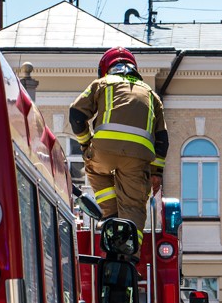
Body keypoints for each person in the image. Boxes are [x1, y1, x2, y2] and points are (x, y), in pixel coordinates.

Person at [68, 47, 168, 236]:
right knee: (134, 209)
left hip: (104, 151)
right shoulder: (151, 95)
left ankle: (110, 214)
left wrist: (86, 144)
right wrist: (156, 173)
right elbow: (162, 139)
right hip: (137, 159)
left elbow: (76, 114)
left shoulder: (102, 83)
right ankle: (130, 255)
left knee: (94, 167)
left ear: (106, 68)